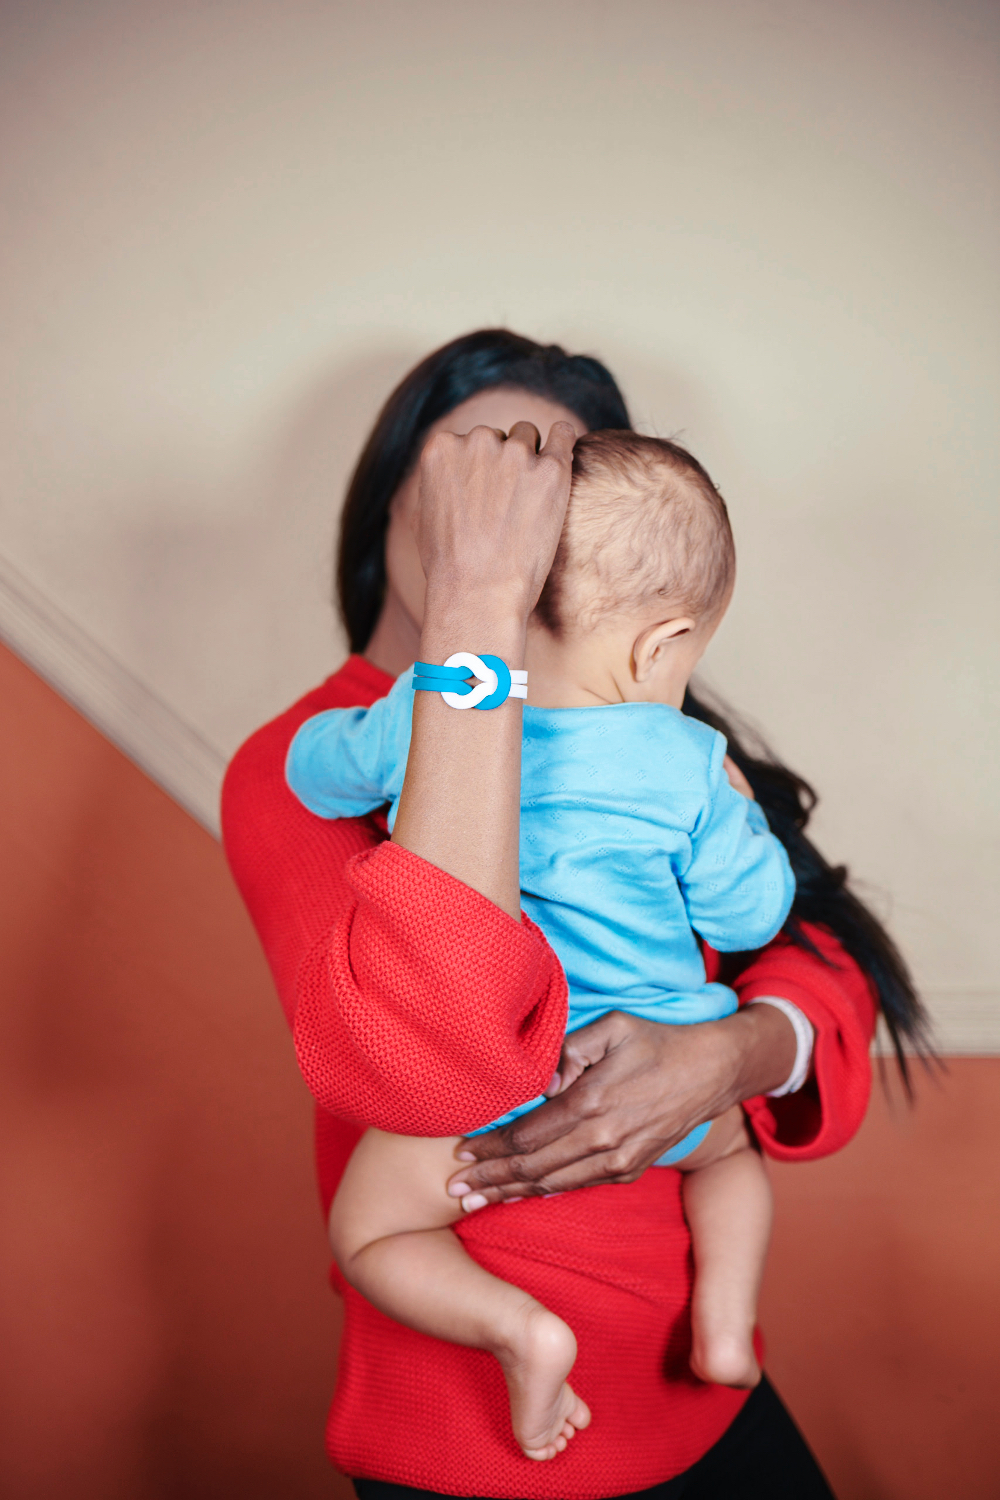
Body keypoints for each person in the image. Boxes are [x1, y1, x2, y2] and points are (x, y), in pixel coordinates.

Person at [222, 330, 928, 1498]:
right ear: (398, 496)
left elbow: (819, 958)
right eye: (487, 470)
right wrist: (478, 618)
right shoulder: (299, 762)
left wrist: (730, 1054)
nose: (520, 517)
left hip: (695, 1395)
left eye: (557, 485)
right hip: (474, 1435)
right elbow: (434, 1064)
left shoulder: (667, 738)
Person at [286, 430, 795, 1461]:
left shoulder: (432, 706)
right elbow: (750, 919)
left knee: (370, 1231)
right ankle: (726, 1326)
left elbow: (311, 771)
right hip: (664, 1068)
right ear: (662, 646)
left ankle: (517, 1328)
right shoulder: (690, 764)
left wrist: (400, 718)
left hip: (503, 1089)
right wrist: (741, 811)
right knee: (734, 1162)